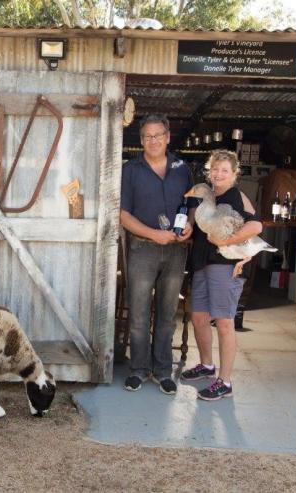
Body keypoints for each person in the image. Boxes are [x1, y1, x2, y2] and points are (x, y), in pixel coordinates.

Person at [120, 114, 194, 394]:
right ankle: (139, 369)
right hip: (143, 249)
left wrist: (190, 224)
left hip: (175, 251)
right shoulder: (131, 170)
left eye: (158, 135)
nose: (153, 140)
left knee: (167, 314)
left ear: (167, 137)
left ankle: (163, 370)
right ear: (141, 140)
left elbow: (192, 204)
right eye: (147, 136)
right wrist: (153, 234)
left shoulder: (182, 168)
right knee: (138, 314)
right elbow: (123, 215)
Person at [181, 149, 262, 401]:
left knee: (224, 321)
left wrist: (226, 238)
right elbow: (195, 222)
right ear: (209, 171)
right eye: (215, 169)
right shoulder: (205, 196)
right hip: (201, 263)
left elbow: (256, 226)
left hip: (224, 265)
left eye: (224, 170)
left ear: (234, 174)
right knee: (199, 317)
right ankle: (206, 365)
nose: (218, 174)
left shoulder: (237, 196)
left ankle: (225, 382)